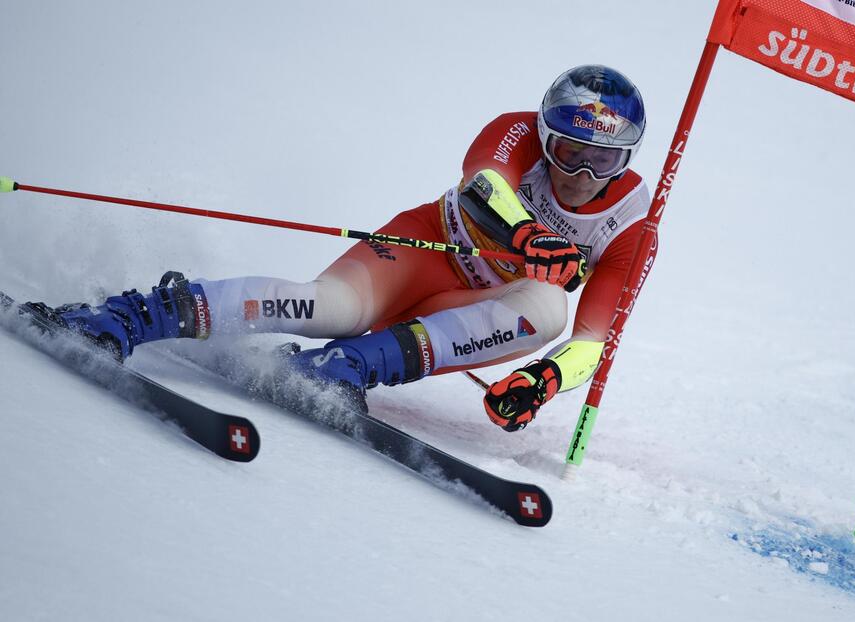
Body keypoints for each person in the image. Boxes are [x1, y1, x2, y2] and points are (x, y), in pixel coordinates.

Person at [27, 64, 656, 433]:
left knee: (547, 306)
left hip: (470, 309)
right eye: (569, 150)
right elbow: (481, 184)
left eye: (604, 158)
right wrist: (528, 235)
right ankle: (135, 314)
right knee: (329, 306)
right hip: (425, 247)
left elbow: (589, 344)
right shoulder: (515, 129)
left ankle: (346, 368)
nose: (581, 171)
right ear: (545, 134)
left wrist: (540, 381)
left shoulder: (630, 223)